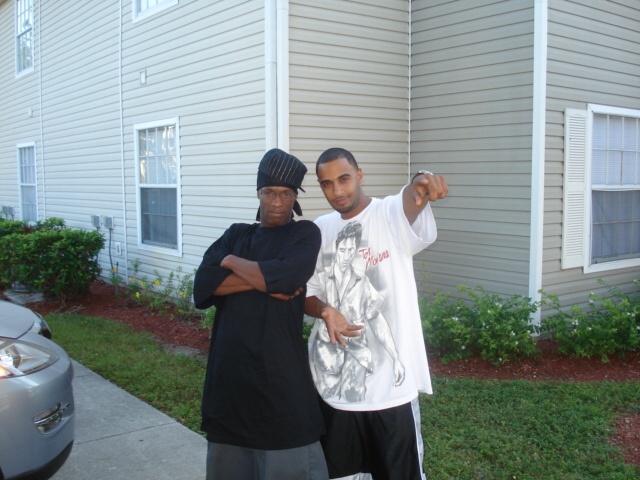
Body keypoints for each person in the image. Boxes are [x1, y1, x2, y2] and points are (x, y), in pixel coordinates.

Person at [304, 147, 448, 480]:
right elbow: (307, 293)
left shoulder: (388, 214)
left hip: (389, 393)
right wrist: (326, 311)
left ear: (359, 175)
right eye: (327, 184)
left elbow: (412, 198)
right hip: (334, 391)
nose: (337, 191)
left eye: (344, 179)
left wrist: (421, 181)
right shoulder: (320, 230)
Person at [193, 148, 328, 480]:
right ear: (258, 193)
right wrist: (266, 279)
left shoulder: (304, 234)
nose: (277, 202)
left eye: (285, 194)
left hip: (281, 387)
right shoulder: (236, 234)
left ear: (295, 197)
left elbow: (287, 279)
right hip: (229, 385)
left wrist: (229, 263)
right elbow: (202, 288)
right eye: (268, 192)